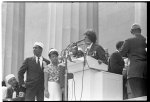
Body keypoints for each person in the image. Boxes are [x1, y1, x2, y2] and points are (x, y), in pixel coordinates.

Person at [119, 24, 147, 98]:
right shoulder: (145, 41)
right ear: (140, 31)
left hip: (134, 73)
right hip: (145, 71)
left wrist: (130, 54)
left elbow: (121, 53)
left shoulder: (129, 41)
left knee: (137, 97)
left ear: (132, 31)